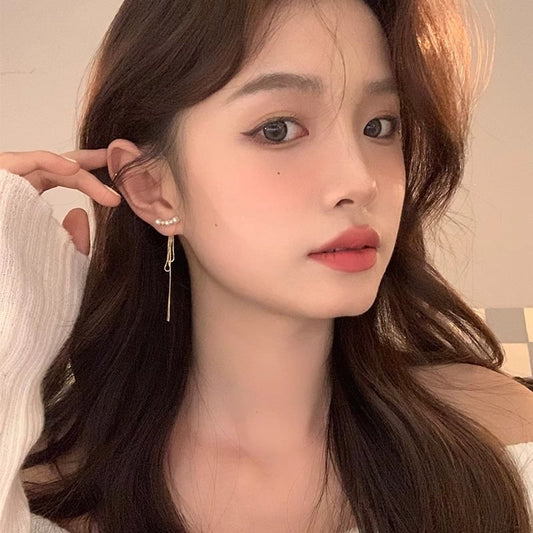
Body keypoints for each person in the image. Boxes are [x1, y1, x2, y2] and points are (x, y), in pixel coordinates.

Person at [1, 0, 533, 531]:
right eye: (278, 129)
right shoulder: (35, 494)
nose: (360, 181)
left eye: (379, 125)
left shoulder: (502, 438)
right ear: (152, 188)